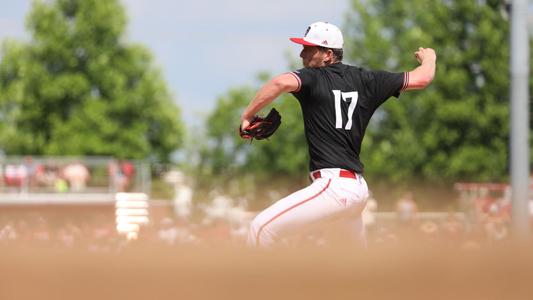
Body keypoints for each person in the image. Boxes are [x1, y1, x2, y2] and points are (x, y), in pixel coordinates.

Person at [240, 21, 436, 247]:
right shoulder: (368, 79)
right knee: (350, 271)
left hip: (333, 187)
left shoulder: (313, 78)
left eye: (309, 48)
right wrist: (429, 57)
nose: (302, 53)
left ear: (328, 55)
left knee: (260, 228)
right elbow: (422, 78)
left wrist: (247, 115)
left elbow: (279, 82)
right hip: (356, 191)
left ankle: (258, 284)